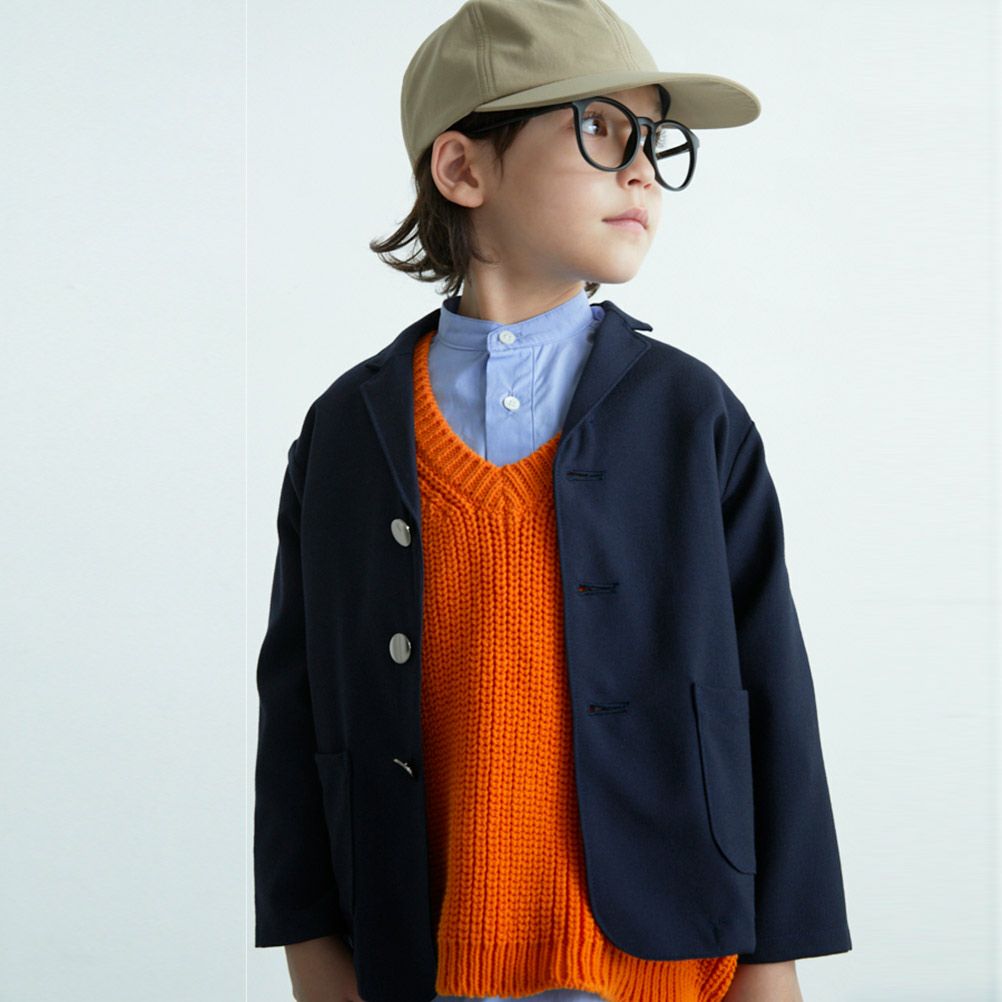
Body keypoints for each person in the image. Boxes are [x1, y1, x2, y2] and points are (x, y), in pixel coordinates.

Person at [253, 2, 852, 1002]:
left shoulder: (692, 415)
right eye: (601, 128)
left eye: (656, 141)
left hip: (666, 967)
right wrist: (311, 954)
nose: (642, 170)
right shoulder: (347, 432)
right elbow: (297, 704)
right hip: (418, 965)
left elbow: (772, 692)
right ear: (462, 169)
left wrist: (774, 963)